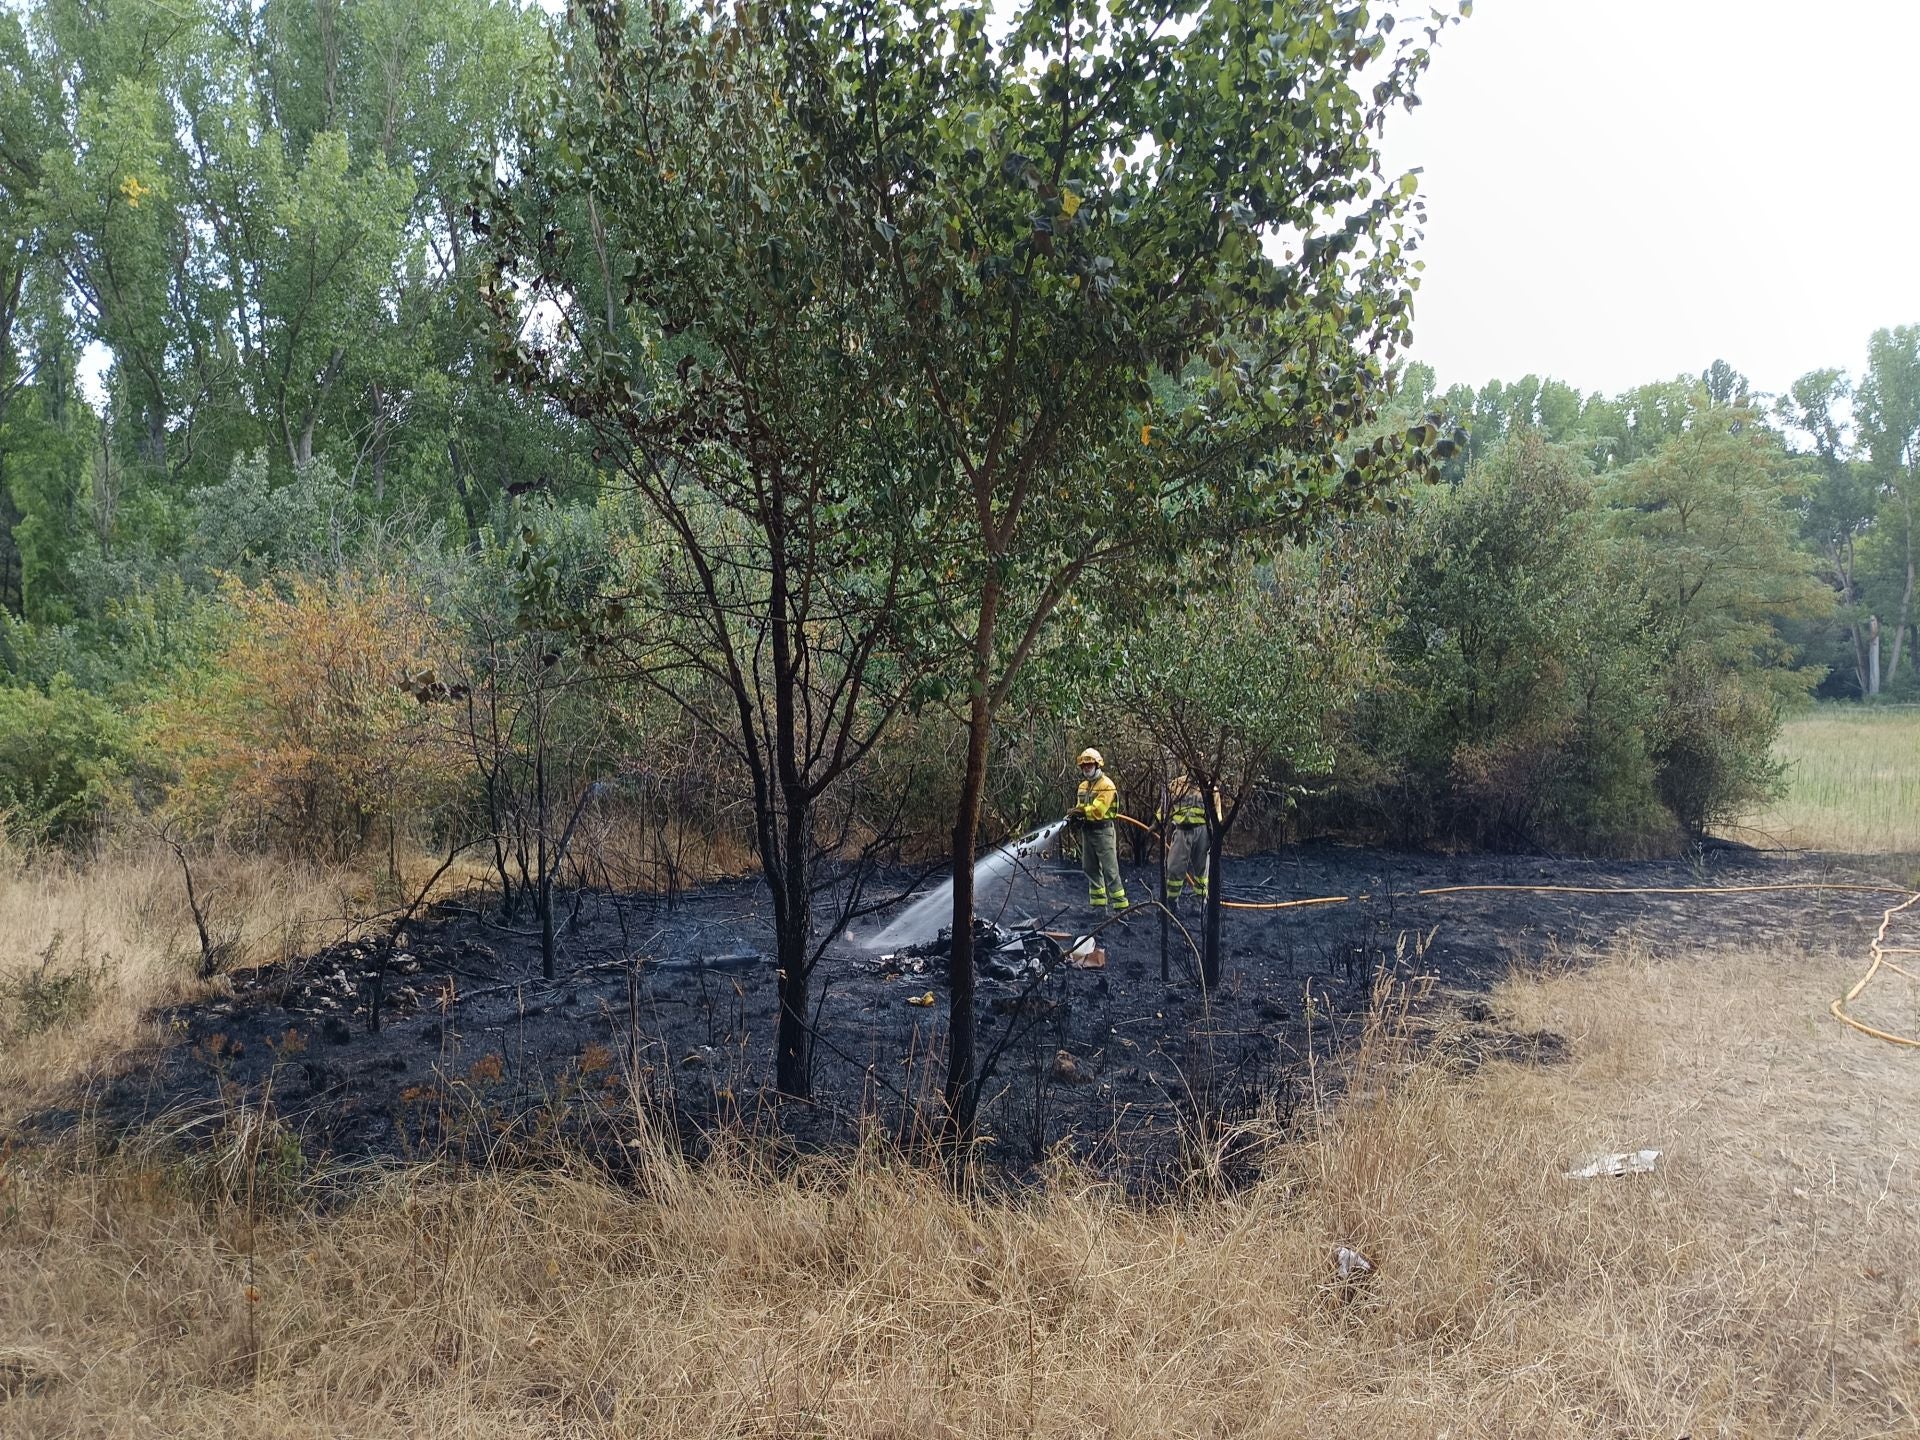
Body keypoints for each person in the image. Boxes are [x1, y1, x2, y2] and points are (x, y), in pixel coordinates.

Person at [1070, 748, 1127, 912]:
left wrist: (1080, 812)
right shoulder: (1082, 786)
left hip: (1103, 832)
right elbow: (1080, 808)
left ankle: (1121, 907)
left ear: (1097, 764)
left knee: (1110, 870)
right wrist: (1075, 818)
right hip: (1087, 832)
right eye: (1084, 765)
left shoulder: (1106, 786)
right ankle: (1098, 905)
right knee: (1090, 867)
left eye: (1089, 765)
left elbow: (1098, 810)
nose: (1086, 768)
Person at [1160, 770, 1220, 907]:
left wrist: (1215, 836)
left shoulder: (1210, 789)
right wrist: (1156, 824)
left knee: (1202, 869)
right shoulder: (1176, 785)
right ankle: (1172, 902)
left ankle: (1200, 904)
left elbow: (1217, 814)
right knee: (1174, 868)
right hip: (1181, 830)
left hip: (1202, 831)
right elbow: (1164, 808)